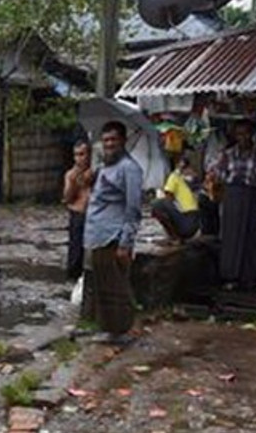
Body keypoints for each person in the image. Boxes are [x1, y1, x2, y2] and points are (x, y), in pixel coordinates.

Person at [80, 121, 144, 345]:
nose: (108, 144)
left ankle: (125, 330)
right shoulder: (105, 167)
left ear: (123, 141)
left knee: (117, 287)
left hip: (113, 236)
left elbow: (133, 208)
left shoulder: (130, 168)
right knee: (103, 286)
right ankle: (110, 330)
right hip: (97, 235)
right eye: (105, 140)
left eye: (113, 140)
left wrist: (125, 243)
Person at [211, 120, 256, 297]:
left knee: (253, 236)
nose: (242, 137)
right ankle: (231, 277)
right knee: (231, 236)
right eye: (239, 134)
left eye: (246, 133)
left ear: (252, 134)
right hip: (232, 197)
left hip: (252, 196)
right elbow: (219, 177)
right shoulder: (227, 155)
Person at [151, 154, 201, 244]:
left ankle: (174, 237)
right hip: (195, 222)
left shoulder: (174, 177)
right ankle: (175, 237)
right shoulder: (189, 178)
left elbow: (168, 197)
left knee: (156, 204)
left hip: (187, 222)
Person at [62, 140, 93, 280]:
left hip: (93, 215)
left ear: (89, 155)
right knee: (75, 250)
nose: (79, 159)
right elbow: (67, 198)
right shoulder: (71, 175)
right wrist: (75, 183)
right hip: (77, 214)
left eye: (82, 154)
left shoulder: (95, 173)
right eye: (76, 155)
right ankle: (73, 277)